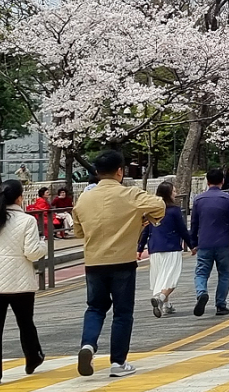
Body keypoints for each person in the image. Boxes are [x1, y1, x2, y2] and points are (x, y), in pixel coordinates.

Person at [73, 150, 166, 378]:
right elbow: (159, 205)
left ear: (96, 172)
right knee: (122, 313)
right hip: (123, 261)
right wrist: (144, 219)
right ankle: (118, 362)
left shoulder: (84, 198)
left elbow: (78, 231)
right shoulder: (130, 194)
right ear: (120, 171)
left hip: (94, 262)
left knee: (95, 307)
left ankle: (88, 345)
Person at [0, 180, 47, 388]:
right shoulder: (26, 220)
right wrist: (44, 245)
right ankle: (33, 357)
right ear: (19, 198)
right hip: (18, 279)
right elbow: (32, 252)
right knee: (25, 321)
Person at [191, 169, 229, 317]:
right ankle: (221, 305)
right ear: (222, 181)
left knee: (201, 272)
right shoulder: (227, 199)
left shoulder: (198, 200)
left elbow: (194, 223)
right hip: (223, 242)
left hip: (204, 242)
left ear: (207, 182)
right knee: (224, 274)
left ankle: (201, 292)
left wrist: (193, 242)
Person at [137, 182, 193, 318]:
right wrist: (192, 245)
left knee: (160, 277)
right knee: (172, 277)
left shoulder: (153, 211)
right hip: (171, 247)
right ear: (168, 194)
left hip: (154, 247)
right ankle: (160, 298)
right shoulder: (174, 211)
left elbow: (146, 230)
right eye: (173, 191)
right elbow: (182, 230)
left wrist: (140, 248)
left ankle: (167, 306)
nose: (175, 194)